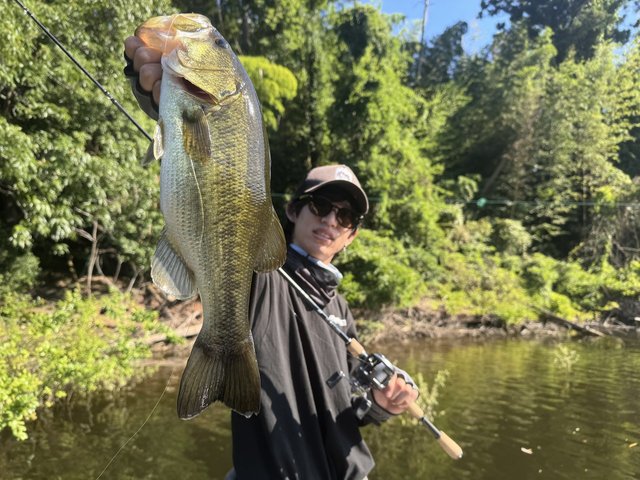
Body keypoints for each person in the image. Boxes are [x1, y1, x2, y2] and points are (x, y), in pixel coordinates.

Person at [124, 34, 419, 480]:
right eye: (320, 205)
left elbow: (347, 411)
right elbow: (212, 171)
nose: (331, 220)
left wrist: (381, 405)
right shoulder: (266, 275)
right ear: (294, 210)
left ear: (352, 235)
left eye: (345, 216)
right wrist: (165, 98)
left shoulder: (340, 309)